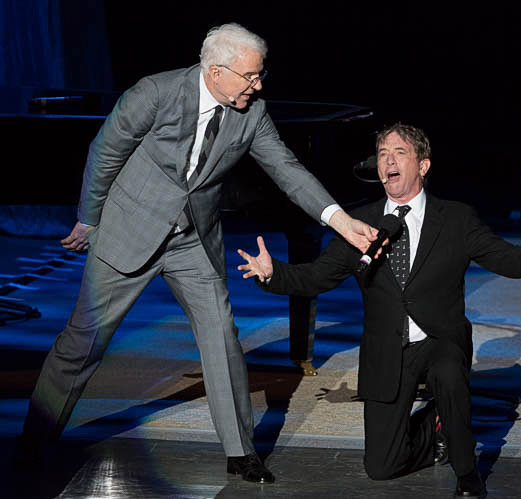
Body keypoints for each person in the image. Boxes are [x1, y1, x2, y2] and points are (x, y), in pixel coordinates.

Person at [16, 22, 379, 484]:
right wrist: (89, 219)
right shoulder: (155, 93)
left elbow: (287, 169)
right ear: (215, 71)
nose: (258, 85)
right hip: (130, 230)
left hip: (193, 241)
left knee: (222, 337)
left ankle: (241, 452)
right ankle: (34, 441)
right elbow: (106, 151)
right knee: (82, 343)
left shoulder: (252, 113)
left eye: (261, 75)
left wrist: (340, 220)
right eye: (250, 76)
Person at [237, 123, 521, 497]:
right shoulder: (360, 224)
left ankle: (467, 472)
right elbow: (316, 277)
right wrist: (272, 274)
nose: (389, 161)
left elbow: (507, 259)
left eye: (399, 153)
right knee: (381, 468)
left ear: (423, 165)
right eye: (383, 154)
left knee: (448, 374)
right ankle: (437, 427)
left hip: (440, 338)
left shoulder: (455, 219)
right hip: (387, 348)